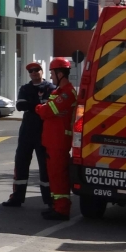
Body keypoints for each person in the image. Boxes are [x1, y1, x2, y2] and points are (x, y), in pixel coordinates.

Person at [2, 62, 55, 208]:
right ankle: (17, 197)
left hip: (43, 132)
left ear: (42, 71)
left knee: (45, 166)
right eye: (31, 71)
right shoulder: (25, 88)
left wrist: (32, 105)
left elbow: (52, 108)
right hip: (27, 132)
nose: (34, 73)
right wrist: (39, 106)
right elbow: (20, 106)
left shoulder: (51, 88)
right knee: (21, 164)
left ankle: (48, 199)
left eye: (36, 70)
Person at [36, 57, 77, 220]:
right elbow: (48, 110)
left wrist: (40, 108)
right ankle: (56, 206)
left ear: (60, 73)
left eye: (52, 73)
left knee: (59, 176)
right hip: (52, 140)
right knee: (54, 175)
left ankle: (62, 209)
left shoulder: (67, 93)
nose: (51, 76)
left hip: (59, 141)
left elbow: (46, 112)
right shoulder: (58, 92)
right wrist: (44, 109)